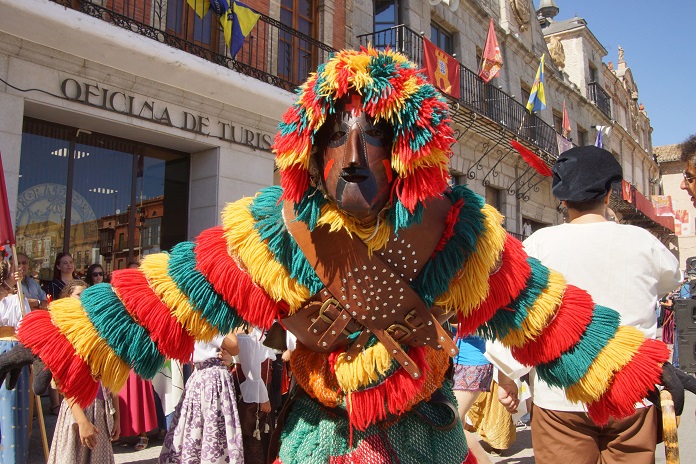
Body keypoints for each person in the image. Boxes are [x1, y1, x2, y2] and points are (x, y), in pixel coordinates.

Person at [3, 48, 696, 464]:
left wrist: (636, 363)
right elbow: (167, 293)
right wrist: (63, 336)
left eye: (376, 137)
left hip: (427, 432)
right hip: (318, 433)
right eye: (336, 136)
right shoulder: (271, 232)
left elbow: (540, 309)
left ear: (407, 148)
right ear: (311, 145)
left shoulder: (457, 227)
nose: (355, 158)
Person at [492, 145, 682, 464]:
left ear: (562, 199)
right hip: (632, 393)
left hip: (560, 397)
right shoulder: (643, 242)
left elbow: (516, 317)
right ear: (608, 194)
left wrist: (507, 375)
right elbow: (670, 280)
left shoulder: (539, 245)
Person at [47, 280, 121, 464]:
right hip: (77, 411)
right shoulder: (64, 332)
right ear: (67, 299)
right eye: (78, 295)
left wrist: (117, 417)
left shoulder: (101, 331)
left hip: (101, 409)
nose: (83, 299)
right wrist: (81, 422)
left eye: (86, 295)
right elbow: (63, 382)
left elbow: (111, 379)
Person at [159, 333, 243, 463]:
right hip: (213, 380)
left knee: (197, 428)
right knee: (214, 429)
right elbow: (234, 346)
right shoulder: (208, 321)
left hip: (199, 377)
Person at [0, 260, 31, 464]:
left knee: (9, 404)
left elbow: (25, 325)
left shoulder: (16, 299)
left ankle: (10, 457)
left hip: (11, 350)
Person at [452, 332, 493, 464]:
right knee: (459, 424)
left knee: (452, 423)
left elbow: (479, 326)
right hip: (450, 360)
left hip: (472, 363)